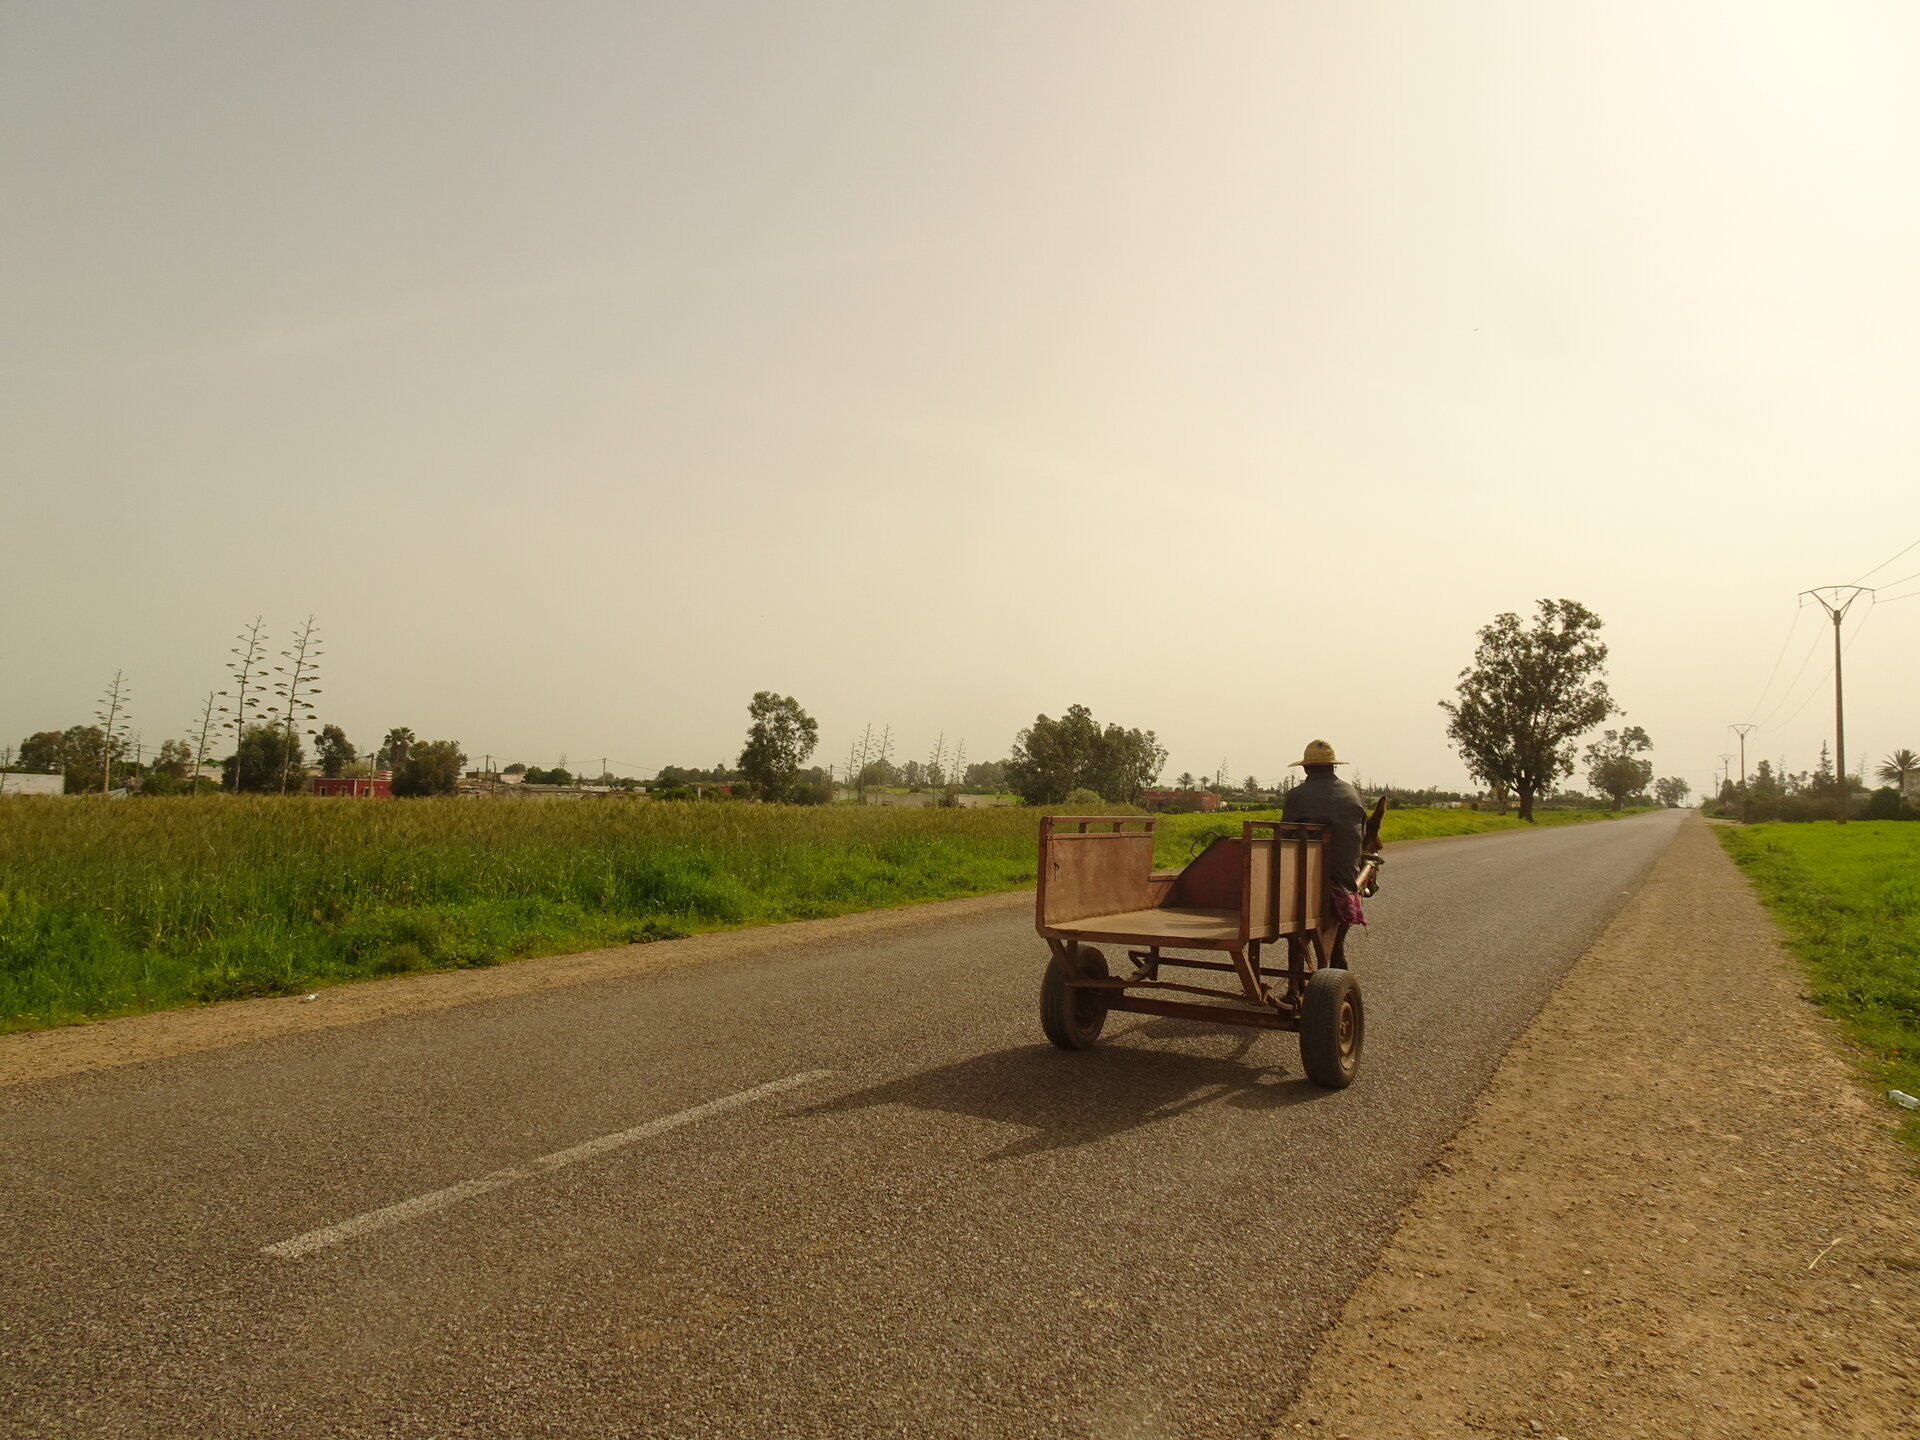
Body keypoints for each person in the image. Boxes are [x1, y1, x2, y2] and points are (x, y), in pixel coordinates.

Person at [1280, 739, 1370, 894]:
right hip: (1345, 880)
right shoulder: (1353, 794)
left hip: (1300, 879)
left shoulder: (1295, 796)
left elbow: (1283, 838)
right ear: (1333, 767)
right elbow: (1362, 835)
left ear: (1306, 769)